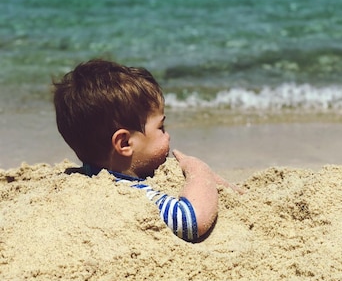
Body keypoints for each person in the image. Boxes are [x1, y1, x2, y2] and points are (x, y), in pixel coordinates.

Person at [53, 59, 242, 242]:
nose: (167, 136)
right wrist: (198, 169)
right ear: (125, 143)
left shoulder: (86, 177)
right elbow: (192, 220)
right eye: (161, 128)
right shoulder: (136, 195)